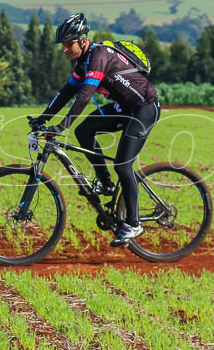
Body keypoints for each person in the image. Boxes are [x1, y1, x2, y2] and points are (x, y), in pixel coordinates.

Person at [30, 13, 161, 247]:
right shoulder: (84, 62)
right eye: (63, 45)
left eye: (68, 44)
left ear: (83, 40)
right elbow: (66, 92)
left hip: (144, 109)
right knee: (84, 132)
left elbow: (86, 94)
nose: (64, 49)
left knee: (123, 164)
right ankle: (106, 183)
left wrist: (62, 126)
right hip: (124, 108)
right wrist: (42, 119)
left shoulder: (99, 56)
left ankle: (133, 223)